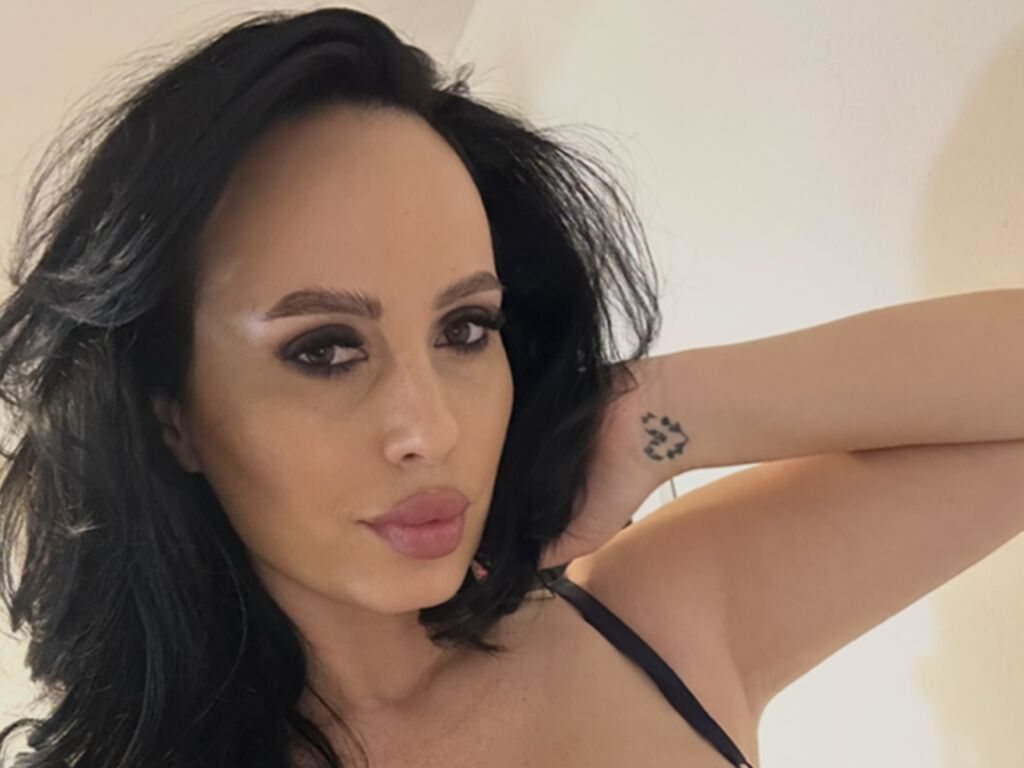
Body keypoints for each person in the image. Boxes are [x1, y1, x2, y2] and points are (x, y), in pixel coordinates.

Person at [1, 7, 760, 768]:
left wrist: (648, 416)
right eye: (325, 351)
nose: (432, 431)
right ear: (173, 419)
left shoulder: (653, 623)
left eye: (465, 329)